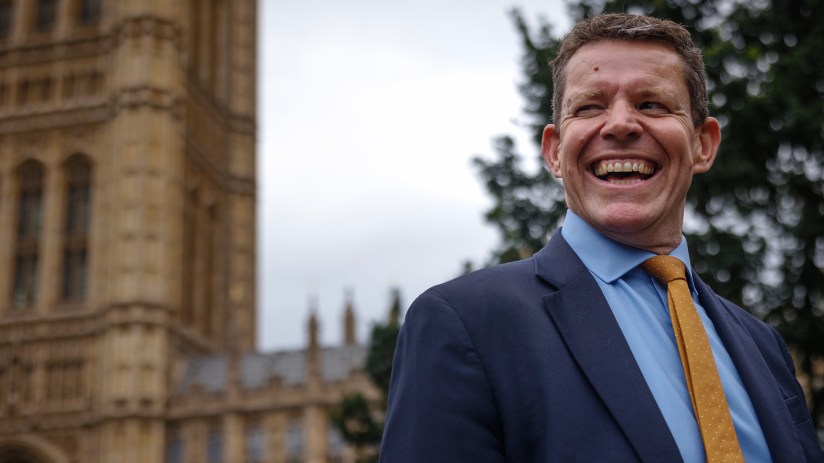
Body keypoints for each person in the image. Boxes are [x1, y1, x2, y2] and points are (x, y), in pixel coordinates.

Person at [380, 13, 823, 463]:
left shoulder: (762, 346)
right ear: (554, 151)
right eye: (589, 107)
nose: (620, 125)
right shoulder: (465, 323)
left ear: (702, 145)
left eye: (652, 104)